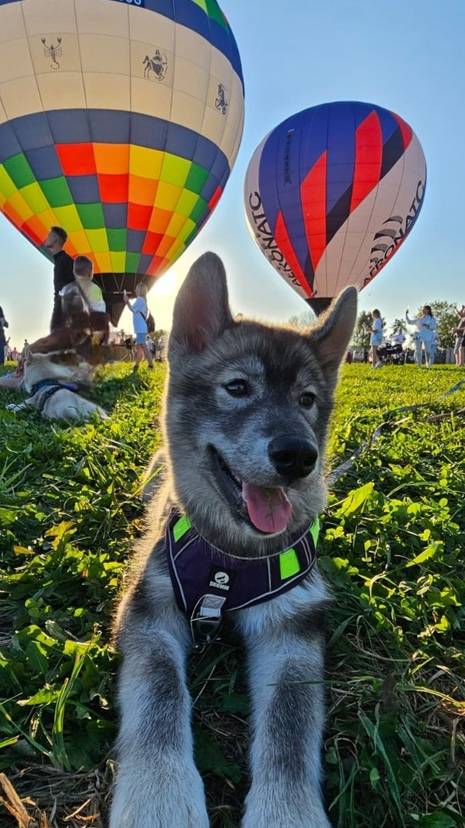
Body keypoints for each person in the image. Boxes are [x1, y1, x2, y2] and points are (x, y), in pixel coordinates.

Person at [73, 256, 110, 344]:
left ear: (74, 272)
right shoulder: (94, 289)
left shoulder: (69, 289)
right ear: (91, 274)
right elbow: (100, 310)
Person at [44, 226, 75, 332]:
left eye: (49, 236)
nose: (46, 238)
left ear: (55, 240)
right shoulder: (60, 261)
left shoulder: (65, 261)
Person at [123, 283, 154, 369]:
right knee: (139, 346)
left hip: (140, 328)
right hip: (140, 327)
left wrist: (127, 301)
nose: (135, 290)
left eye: (136, 289)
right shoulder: (142, 300)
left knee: (142, 345)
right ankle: (137, 365)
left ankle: (150, 365)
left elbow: (132, 309)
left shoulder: (140, 300)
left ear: (140, 290)